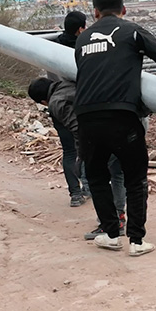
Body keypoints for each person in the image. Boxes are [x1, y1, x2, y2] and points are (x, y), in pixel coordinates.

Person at [74, 0, 156, 257]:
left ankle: (110, 234)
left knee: (97, 178)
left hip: (86, 117)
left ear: (95, 13)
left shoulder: (82, 38)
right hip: (123, 115)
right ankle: (136, 240)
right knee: (135, 178)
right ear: (124, 10)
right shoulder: (132, 31)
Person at [27, 77, 126, 240]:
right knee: (118, 174)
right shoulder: (70, 82)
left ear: (43, 100)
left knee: (95, 179)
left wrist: (83, 156)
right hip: (119, 122)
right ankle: (119, 218)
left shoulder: (56, 103)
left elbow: (79, 129)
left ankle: (110, 224)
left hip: (100, 135)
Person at [49, 11, 92, 207]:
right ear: (80, 29)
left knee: (68, 151)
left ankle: (75, 194)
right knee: (87, 148)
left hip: (57, 105)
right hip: (81, 105)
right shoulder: (85, 48)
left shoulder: (50, 46)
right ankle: (88, 187)